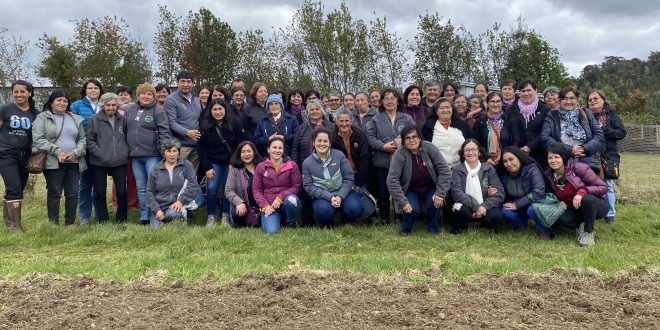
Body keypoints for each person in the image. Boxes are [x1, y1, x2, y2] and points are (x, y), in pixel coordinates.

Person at [529, 143, 608, 246]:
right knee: (561, 218)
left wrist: (582, 192)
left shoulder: (579, 168)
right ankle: (580, 225)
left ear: (563, 158)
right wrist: (561, 202)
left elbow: (603, 187)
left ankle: (588, 233)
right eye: (550, 158)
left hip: (595, 204)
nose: (553, 160)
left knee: (587, 199)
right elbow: (553, 194)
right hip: (573, 207)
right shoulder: (549, 175)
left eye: (556, 157)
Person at [32, 89, 87, 226]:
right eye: (59, 100)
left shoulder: (74, 118)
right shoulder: (42, 117)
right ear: (51, 102)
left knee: (73, 194)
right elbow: (38, 139)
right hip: (53, 162)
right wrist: (58, 152)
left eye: (65, 100)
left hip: (73, 162)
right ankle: (53, 224)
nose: (62, 103)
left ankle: (70, 223)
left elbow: (83, 139)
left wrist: (75, 152)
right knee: (54, 193)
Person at [387, 125, 451, 235]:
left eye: (414, 137)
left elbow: (445, 170)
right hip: (411, 188)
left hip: (430, 186)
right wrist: (403, 201)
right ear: (403, 141)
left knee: (434, 203)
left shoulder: (430, 148)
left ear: (420, 138)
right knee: (413, 209)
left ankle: (433, 229)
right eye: (407, 138)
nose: (411, 140)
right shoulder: (399, 154)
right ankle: (405, 230)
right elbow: (392, 180)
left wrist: (440, 193)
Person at [366, 88, 415, 224]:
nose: (389, 101)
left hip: (402, 161)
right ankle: (384, 218)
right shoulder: (376, 119)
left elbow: (414, 136)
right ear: (382, 101)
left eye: (392, 98)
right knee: (383, 191)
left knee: (400, 190)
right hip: (382, 161)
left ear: (398, 100)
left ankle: (400, 217)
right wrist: (383, 146)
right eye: (386, 98)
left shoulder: (406, 118)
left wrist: (400, 143)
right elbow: (370, 138)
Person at [126, 83, 171, 225]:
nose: (146, 96)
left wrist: (165, 151)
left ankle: (156, 214)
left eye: (149, 94)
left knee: (154, 186)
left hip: (152, 155)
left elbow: (164, 132)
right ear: (138, 95)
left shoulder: (158, 111)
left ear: (153, 96)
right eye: (143, 93)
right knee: (141, 186)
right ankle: (144, 216)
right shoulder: (130, 109)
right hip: (135, 156)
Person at [198, 98, 246, 227]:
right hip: (213, 162)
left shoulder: (235, 123)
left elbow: (240, 144)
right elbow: (202, 148)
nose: (217, 112)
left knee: (227, 188)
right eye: (214, 109)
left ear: (225, 109)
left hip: (230, 162)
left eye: (220, 109)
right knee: (212, 188)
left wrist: (234, 162)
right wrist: (207, 167)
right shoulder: (205, 125)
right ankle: (211, 216)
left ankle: (226, 216)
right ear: (210, 111)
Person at [302, 128, 363, 228]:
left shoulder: (339, 155)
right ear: (313, 142)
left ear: (330, 143)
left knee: (354, 208)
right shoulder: (307, 163)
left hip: (344, 193)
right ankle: (326, 223)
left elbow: (348, 178)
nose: (322, 144)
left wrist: (340, 196)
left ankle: (348, 220)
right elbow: (308, 187)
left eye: (325, 141)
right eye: (319, 141)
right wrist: (330, 197)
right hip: (323, 197)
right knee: (323, 211)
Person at [0, 80, 38, 233]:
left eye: (22, 91)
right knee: (14, 188)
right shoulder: (5, 109)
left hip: (26, 155)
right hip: (6, 154)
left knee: (17, 189)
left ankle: (8, 223)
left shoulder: (35, 113)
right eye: (16, 92)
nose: (19, 94)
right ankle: (16, 228)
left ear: (29, 93)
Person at [85, 93, 129, 224]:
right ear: (103, 105)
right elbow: (89, 140)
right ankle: (103, 220)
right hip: (99, 162)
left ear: (117, 106)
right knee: (100, 192)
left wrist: (124, 151)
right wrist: (100, 153)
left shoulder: (122, 119)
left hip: (119, 161)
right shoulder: (94, 119)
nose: (111, 107)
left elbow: (126, 137)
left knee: (121, 191)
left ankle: (122, 220)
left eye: (113, 105)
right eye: (108, 105)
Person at [540, 87, 604, 173]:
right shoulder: (552, 116)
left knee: (589, 185)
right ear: (560, 101)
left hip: (587, 161)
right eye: (565, 99)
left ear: (577, 100)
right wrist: (569, 150)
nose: (568, 102)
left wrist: (584, 148)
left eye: (572, 98)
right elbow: (545, 138)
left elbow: (599, 136)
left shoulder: (585, 113)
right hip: (561, 161)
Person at [586, 89, 626, 224]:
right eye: (590, 99)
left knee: (607, 185)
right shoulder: (584, 116)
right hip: (590, 155)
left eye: (595, 98)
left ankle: (609, 214)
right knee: (589, 184)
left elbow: (621, 133)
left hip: (608, 156)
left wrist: (603, 129)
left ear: (603, 99)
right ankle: (592, 211)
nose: (592, 101)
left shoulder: (612, 116)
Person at [291, 99, 333, 226]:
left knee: (326, 192)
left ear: (322, 111)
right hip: (306, 167)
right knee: (306, 193)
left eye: (317, 109)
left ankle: (327, 220)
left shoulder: (331, 127)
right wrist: (297, 169)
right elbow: (295, 148)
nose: (315, 112)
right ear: (307, 113)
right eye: (311, 110)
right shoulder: (302, 128)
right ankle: (307, 220)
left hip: (327, 167)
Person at [449, 139, 504, 234]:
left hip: (484, 207)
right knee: (463, 212)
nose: (470, 152)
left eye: (474, 149)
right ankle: (461, 226)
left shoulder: (488, 169)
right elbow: (457, 193)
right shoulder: (457, 170)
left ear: (479, 152)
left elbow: (500, 192)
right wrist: (476, 207)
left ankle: (485, 223)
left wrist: (483, 207)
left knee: (496, 215)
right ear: (463, 154)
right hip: (465, 206)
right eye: (467, 150)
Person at [146, 139, 203, 228]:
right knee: (155, 230)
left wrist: (181, 201)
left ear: (178, 153)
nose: (172, 154)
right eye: (168, 151)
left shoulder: (186, 165)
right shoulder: (155, 169)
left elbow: (193, 185)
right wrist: (157, 210)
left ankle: (175, 220)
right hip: (160, 206)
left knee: (172, 215)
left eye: (174, 151)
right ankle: (164, 220)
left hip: (177, 205)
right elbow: (149, 192)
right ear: (164, 153)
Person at [71, 78, 104, 226]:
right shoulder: (76, 106)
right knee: (85, 184)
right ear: (85, 90)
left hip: (102, 149)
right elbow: (72, 127)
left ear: (100, 90)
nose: (93, 90)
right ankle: (84, 216)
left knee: (99, 184)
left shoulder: (105, 104)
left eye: (96, 88)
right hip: (85, 150)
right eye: (90, 88)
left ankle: (99, 215)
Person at [253, 137, 302, 233]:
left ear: (283, 150)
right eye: (274, 147)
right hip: (270, 205)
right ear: (268, 149)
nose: (277, 150)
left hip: (286, 202)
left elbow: (297, 186)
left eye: (280, 148)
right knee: (271, 231)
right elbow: (256, 190)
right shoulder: (261, 167)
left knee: (292, 200)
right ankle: (277, 219)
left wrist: (280, 197)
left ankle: (290, 223)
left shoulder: (291, 165)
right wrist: (265, 206)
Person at [498, 146, 545, 230]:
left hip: (534, 203)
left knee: (532, 210)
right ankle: (521, 225)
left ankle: (543, 229)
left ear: (519, 158)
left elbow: (539, 192)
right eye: (505, 161)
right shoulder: (504, 176)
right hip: (518, 205)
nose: (508, 164)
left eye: (511, 159)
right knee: (505, 210)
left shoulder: (532, 169)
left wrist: (517, 204)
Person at [508, 79, 551, 167]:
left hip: (539, 155)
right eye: (523, 91)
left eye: (528, 90)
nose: (526, 93)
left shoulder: (545, 109)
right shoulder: (511, 109)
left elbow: (546, 132)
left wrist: (529, 147)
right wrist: (515, 149)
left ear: (535, 90)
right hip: (516, 155)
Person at [165, 70, 202, 169]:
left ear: (193, 83)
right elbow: (171, 123)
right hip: (181, 147)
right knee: (179, 176)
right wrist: (187, 132)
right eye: (183, 81)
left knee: (192, 178)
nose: (186, 84)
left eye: (188, 81)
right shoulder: (170, 99)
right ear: (177, 83)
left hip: (196, 146)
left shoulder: (197, 100)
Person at [422, 97, 471, 169]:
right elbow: (424, 147)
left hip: (460, 168)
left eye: (448, 107)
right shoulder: (428, 126)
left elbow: (470, 143)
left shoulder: (463, 125)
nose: (445, 110)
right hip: (437, 168)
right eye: (442, 108)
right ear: (436, 111)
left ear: (452, 109)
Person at [473, 91, 518, 169]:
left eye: (498, 101)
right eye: (492, 101)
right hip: (484, 163)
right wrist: (486, 158)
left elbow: (516, 140)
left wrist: (504, 156)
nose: (495, 104)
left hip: (505, 163)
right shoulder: (480, 121)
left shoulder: (509, 120)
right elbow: (475, 143)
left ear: (501, 103)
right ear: (487, 103)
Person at [225, 141, 264, 227]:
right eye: (243, 152)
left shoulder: (262, 167)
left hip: (262, 206)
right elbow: (228, 191)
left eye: (249, 151)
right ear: (239, 154)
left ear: (254, 152)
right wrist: (239, 202)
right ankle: (242, 223)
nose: (246, 154)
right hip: (243, 206)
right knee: (236, 213)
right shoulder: (234, 170)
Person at [332, 108, 371, 190]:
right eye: (341, 121)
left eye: (347, 120)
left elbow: (365, 159)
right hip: (341, 178)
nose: (344, 124)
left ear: (351, 121)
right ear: (336, 122)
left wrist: (357, 182)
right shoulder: (332, 137)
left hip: (360, 176)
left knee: (361, 200)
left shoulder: (360, 134)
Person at [253, 94, 299, 158]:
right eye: (271, 104)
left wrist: (284, 138)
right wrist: (268, 139)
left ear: (281, 106)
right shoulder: (262, 122)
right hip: (268, 158)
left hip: (288, 158)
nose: (273, 106)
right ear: (268, 107)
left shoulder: (292, 119)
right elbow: (256, 141)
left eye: (276, 104)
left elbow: (297, 137)